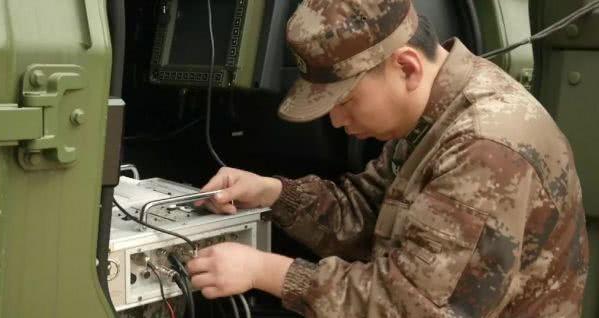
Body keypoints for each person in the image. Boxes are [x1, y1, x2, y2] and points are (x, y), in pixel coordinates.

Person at [187, 0, 589, 317]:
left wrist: (264, 272)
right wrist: (272, 193)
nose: (338, 120)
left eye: (345, 100)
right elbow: (365, 213)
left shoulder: (486, 145)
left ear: (406, 67)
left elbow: (409, 308)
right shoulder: (437, 112)